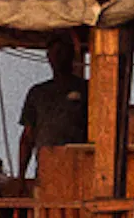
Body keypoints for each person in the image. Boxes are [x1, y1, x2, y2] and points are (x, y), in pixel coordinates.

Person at [18, 33, 90, 179]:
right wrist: (21, 176)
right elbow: (28, 136)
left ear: (72, 54)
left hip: (81, 167)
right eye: (54, 53)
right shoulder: (37, 92)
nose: (58, 57)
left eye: (62, 52)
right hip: (47, 167)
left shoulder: (87, 89)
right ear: (48, 57)